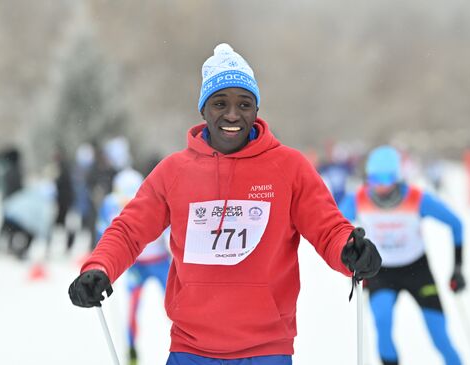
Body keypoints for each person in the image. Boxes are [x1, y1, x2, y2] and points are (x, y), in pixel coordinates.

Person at [69, 43, 381, 365]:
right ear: (203, 110)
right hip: (191, 348)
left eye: (244, 104)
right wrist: (99, 267)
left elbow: (327, 227)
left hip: (266, 348)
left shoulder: (288, 167)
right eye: (220, 103)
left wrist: (349, 249)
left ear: (256, 110)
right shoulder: (175, 171)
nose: (233, 115)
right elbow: (129, 230)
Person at [339, 145, 465, 365]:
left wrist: (457, 268)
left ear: (397, 177)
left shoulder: (417, 198)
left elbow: (456, 224)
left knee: (439, 335)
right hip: (381, 272)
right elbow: (334, 226)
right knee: (382, 322)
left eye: (387, 178)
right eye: (375, 179)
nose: (381, 186)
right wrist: (349, 250)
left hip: (416, 268)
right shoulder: (358, 199)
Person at [96, 168, 171, 365]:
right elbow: (104, 230)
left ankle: (188, 349)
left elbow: (171, 227)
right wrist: (101, 260)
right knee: (133, 309)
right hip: (137, 265)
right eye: (123, 197)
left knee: (175, 307)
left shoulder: (152, 199)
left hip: (161, 261)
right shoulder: (110, 204)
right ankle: (131, 351)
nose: (126, 202)